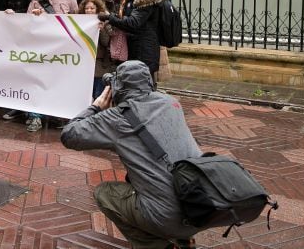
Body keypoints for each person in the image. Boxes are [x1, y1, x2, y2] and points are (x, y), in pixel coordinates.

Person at [61, 60, 201, 249]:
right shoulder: (171, 102)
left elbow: (69, 135)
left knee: (105, 193)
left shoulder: (117, 118)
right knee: (142, 179)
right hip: (200, 207)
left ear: (117, 88)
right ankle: (184, 240)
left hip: (166, 216)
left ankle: (158, 246)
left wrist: (96, 107)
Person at [25, 0, 78, 132]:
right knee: (37, 83)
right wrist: (34, 17)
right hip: (41, 50)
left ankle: (57, 114)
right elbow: (26, 24)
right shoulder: (36, 1)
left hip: (62, 51)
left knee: (59, 83)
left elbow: (78, 22)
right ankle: (35, 117)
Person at [99, 0, 167, 82]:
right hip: (135, 47)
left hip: (143, 50)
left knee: (143, 86)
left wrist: (110, 17)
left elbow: (133, 23)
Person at [0, 0, 36, 122]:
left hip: (26, 33)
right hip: (11, 33)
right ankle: (16, 103)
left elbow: (31, 8)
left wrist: (17, 14)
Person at [79, 0, 112, 100]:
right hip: (84, 64)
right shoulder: (78, 22)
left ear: (97, 9)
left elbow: (106, 42)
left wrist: (101, 30)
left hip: (99, 65)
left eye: (92, 8)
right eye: (87, 8)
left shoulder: (104, 21)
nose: (89, 11)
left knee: (98, 95)